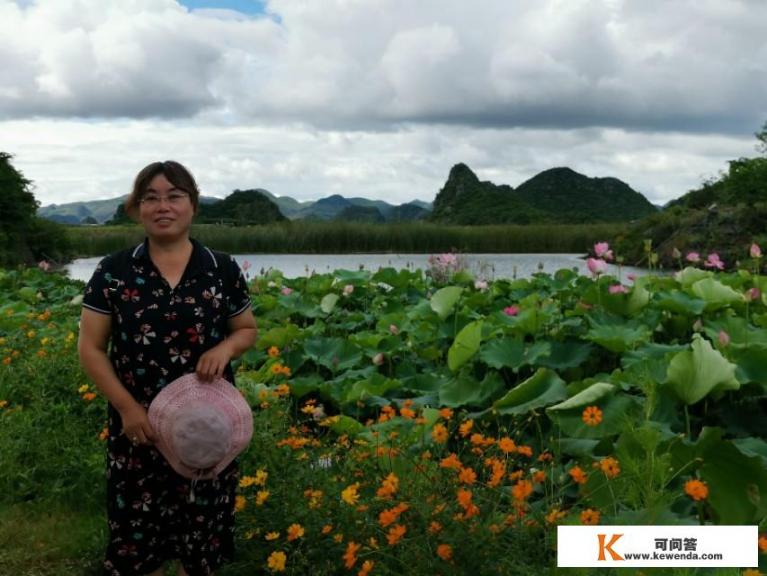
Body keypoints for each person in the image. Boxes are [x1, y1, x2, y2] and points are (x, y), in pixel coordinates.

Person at [78, 161, 258, 576]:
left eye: (174, 196)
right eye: (151, 197)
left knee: (201, 539)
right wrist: (126, 408)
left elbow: (247, 330)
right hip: (138, 425)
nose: (164, 206)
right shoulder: (114, 271)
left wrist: (226, 347)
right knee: (137, 539)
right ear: (137, 208)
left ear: (193, 205)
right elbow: (91, 348)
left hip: (206, 424)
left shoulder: (221, 268)